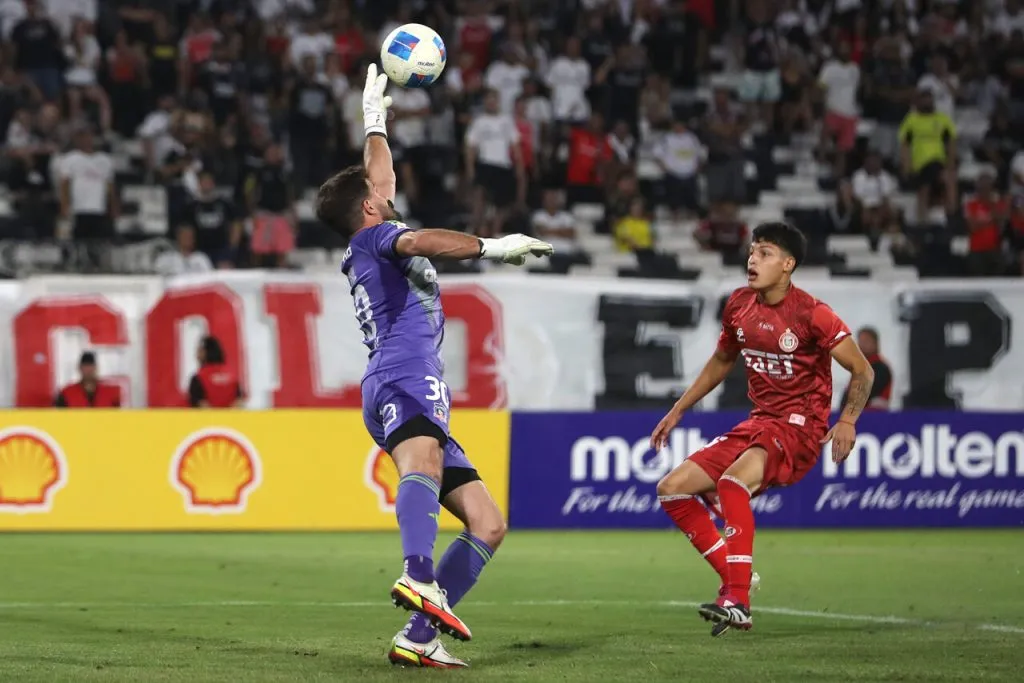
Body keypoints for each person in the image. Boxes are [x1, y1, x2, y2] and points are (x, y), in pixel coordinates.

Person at [314, 65, 553, 668]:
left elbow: (379, 176)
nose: (389, 188)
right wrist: (493, 247)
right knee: (419, 462)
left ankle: (419, 636)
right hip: (403, 371)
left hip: (396, 378)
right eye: (381, 193)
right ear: (372, 206)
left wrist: (374, 121)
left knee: (487, 522)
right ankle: (419, 573)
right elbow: (418, 239)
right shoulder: (381, 239)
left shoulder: (364, 236)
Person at [650, 221, 874, 637]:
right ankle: (737, 576)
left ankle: (736, 600)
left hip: (799, 428)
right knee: (673, 487)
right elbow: (721, 361)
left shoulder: (813, 314)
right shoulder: (739, 304)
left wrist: (847, 419)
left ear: (788, 265)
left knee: (732, 484)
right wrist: (679, 409)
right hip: (760, 421)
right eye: (753, 251)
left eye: (765, 253)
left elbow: (862, 369)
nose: (753, 259)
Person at [841, 327, 893, 410]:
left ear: (875, 343)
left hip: (872, 418)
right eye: (860, 341)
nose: (862, 345)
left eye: (866, 341)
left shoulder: (881, 368)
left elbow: (866, 393)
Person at [188, 336, 244, 408]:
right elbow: (239, 401)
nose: (196, 356)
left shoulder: (198, 378)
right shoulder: (233, 376)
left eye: (198, 351)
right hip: (231, 418)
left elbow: (200, 405)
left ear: (204, 353)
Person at [54, 352, 121, 408]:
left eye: (91, 367)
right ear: (79, 368)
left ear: (96, 368)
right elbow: (57, 418)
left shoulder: (111, 393)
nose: (88, 370)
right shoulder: (66, 393)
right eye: (85, 367)